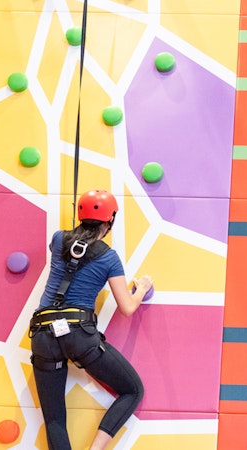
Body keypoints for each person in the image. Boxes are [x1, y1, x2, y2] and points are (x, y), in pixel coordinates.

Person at [29, 189, 153, 450]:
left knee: (54, 418)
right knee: (133, 390)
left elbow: (70, 251)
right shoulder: (108, 257)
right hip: (79, 335)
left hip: (42, 335)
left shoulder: (59, 239)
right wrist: (141, 288)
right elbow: (127, 307)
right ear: (110, 222)